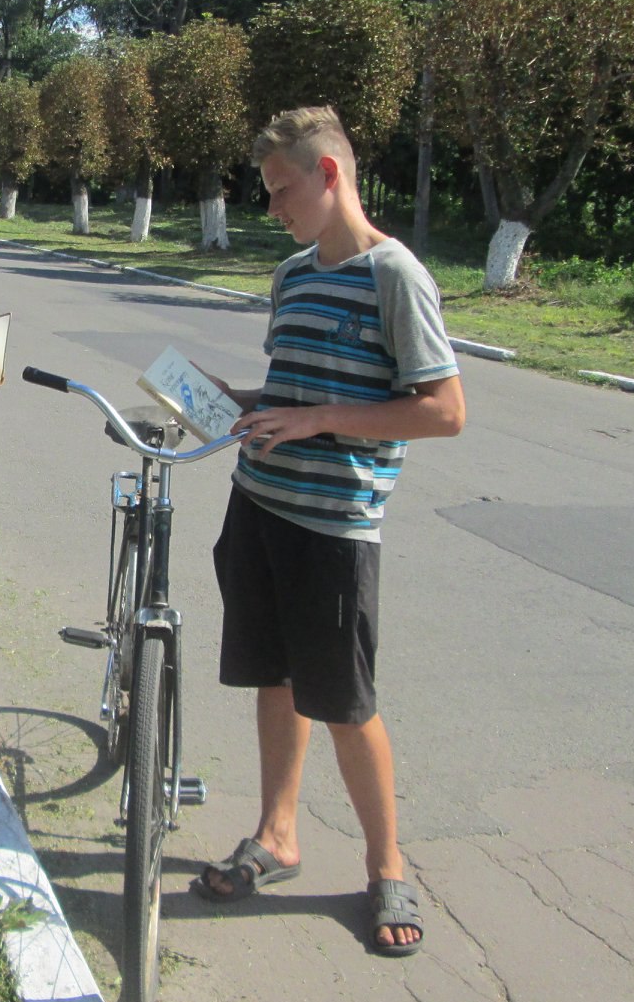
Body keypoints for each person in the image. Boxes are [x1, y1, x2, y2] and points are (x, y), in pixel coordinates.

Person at [190, 107, 465, 958]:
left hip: (335, 527)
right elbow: (293, 392)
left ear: (331, 174)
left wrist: (319, 421)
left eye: (281, 190)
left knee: (345, 703)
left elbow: (443, 411)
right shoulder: (293, 275)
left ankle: (387, 864)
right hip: (259, 508)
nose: (273, 208)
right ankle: (278, 836)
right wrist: (227, 401)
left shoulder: (396, 276)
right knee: (274, 680)